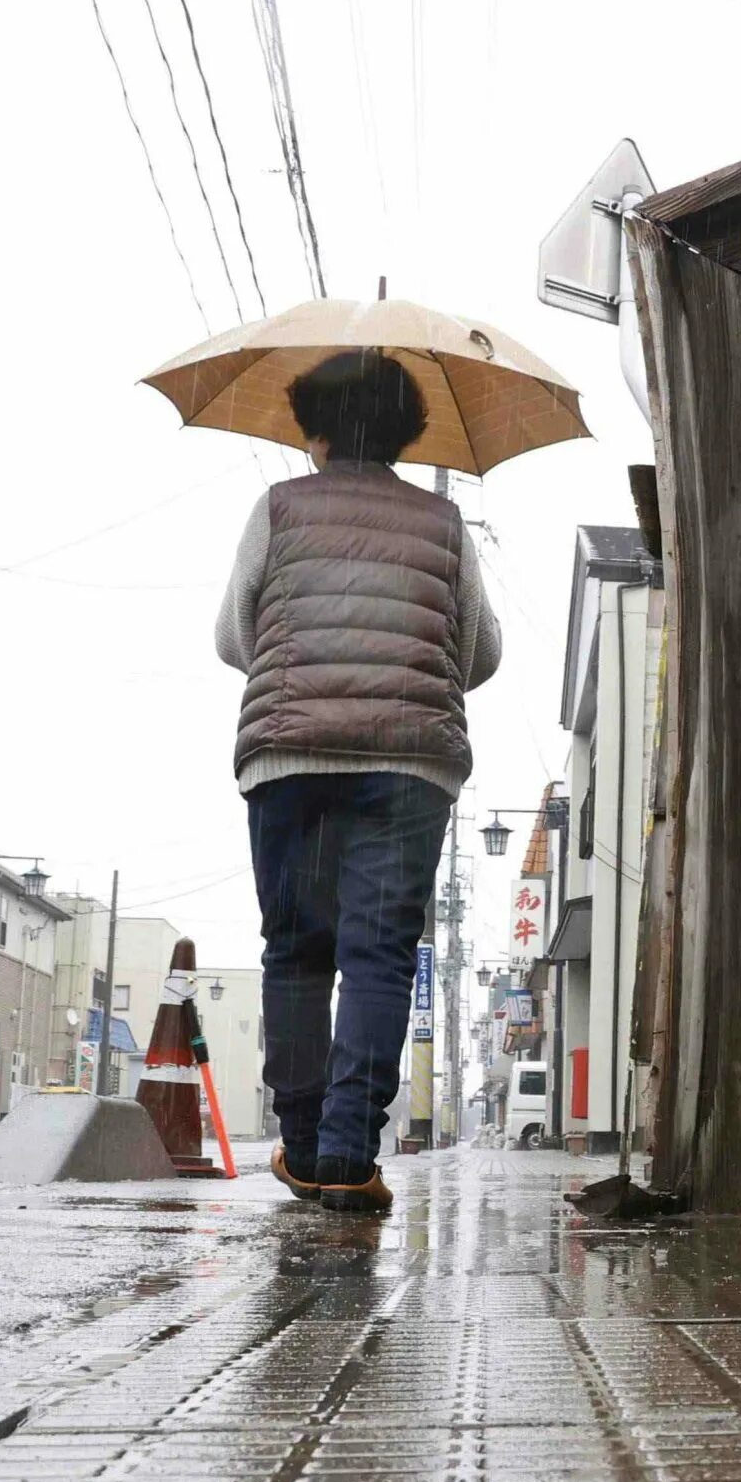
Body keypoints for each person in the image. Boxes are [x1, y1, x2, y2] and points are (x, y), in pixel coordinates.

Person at [215, 350, 499, 1212]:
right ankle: (346, 1157)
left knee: (296, 954)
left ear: (319, 430)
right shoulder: (444, 523)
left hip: (291, 757)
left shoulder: (279, 509)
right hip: (408, 763)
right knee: (378, 958)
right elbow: (478, 653)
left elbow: (235, 637)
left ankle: (299, 1148)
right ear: (408, 432)